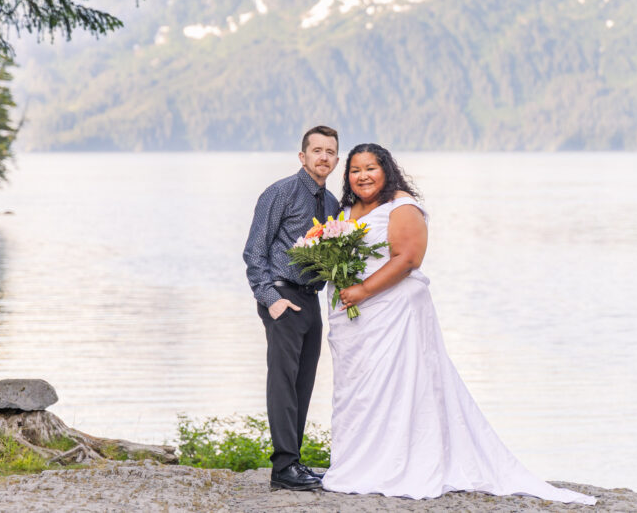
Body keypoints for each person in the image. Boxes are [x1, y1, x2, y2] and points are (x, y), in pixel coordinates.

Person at [320, 143, 596, 505]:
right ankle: (360, 462)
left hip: (393, 313)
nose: (363, 176)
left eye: (370, 168)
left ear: (385, 169)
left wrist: (364, 291)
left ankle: (399, 462)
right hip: (356, 319)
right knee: (361, 391)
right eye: (355, 170)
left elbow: (408, 259)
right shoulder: (347, 209)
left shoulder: (401, 206)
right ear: (347, 176)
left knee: (400, 385)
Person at [243, 125, 341, 491]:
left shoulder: (331, 206)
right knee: (282, 382)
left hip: (310, 300)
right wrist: (271, 300)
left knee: (303, 383)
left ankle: (294, 463)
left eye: (330, 152)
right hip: (282, 298)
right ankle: (283, 467)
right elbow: (254, 251)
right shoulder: (279, 193)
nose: (323, 157)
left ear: (336, 158)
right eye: (317, 150)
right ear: (303, 156)